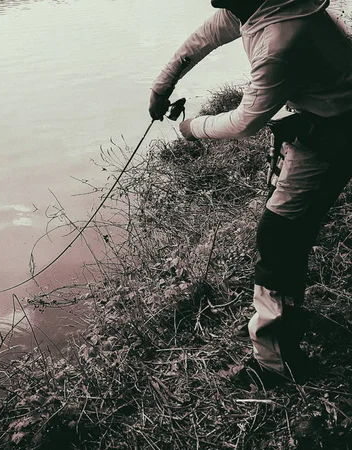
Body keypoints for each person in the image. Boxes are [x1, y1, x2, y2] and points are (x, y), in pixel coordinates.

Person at [149, 0, 352, 386]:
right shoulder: (257, 6)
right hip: (318, 119)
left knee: (278, 239)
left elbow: (246, 121)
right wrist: (162, 87)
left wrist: (192, 127)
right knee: (289, 230)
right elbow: (202, 39)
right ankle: (283, 319)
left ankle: (275, 363)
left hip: (333, 132)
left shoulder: (280, 39)